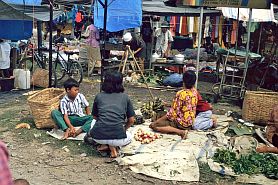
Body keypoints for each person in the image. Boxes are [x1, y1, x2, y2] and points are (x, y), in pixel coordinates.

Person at [90, 71, 135, 158]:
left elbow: (95, 117)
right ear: (120, 83)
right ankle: (113, 147)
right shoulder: (125, 97)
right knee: (130, 135)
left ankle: (107, 146)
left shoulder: (99, 96)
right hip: (118, 138)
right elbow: (131, 120)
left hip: (98, 137)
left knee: (93, 122)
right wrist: (124, 129)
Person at [149, 70, 198, 139]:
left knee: (154, 126)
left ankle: (180, 132)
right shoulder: (194, 91)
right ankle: (177, 128)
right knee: (159, 114)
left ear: (183, 80)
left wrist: (156, 122)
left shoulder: (181, 93)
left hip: (181, 123)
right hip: (189, 122)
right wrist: (169, 105)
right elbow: (185, 105)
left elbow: (171, 114)